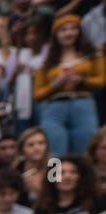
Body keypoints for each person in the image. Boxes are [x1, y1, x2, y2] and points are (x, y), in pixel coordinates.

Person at [33, 13, 104, 157]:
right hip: (55, 108)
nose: (68, 33)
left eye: (73, 29)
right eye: (63, 30)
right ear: (56, 35)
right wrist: (56, 84)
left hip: (83, 104)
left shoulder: (93, 55)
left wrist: (82, 80)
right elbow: (37, 95)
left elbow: (101, 81)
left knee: (86, 152)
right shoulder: (47, 63)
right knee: (54, 154)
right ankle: (52, 179)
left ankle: (86, 179)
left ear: (79, 32)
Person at [31, 153, 104, 214]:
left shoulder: (97, 201)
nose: (67, 177)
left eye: (73, 172)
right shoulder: (43, 209)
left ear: (81, 177)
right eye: (61, 173)